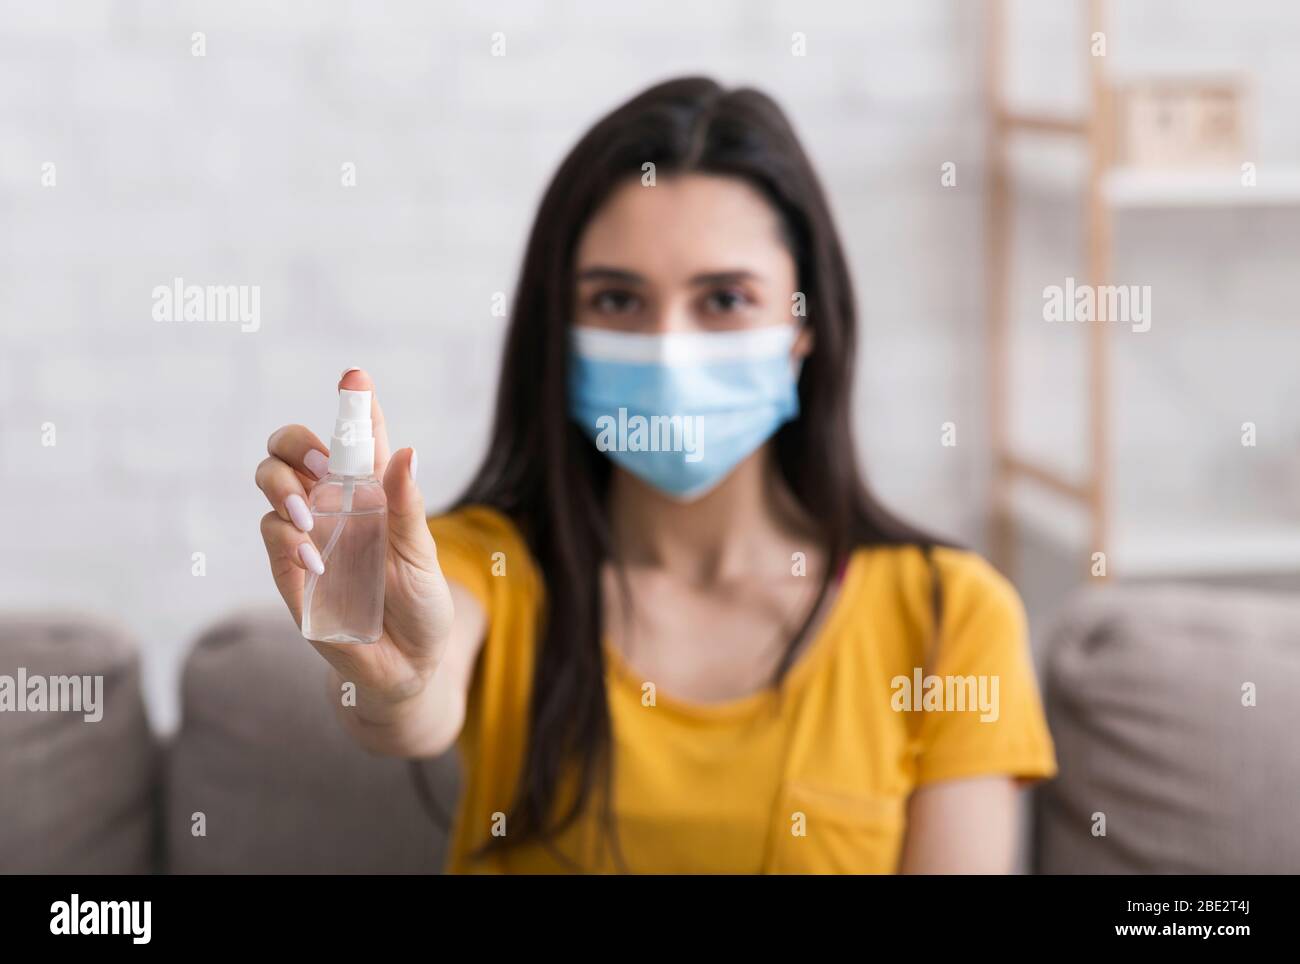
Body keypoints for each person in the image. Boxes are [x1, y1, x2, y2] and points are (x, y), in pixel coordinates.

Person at [255, 77, 1056, 873]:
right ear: (560, 329)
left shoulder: (950, 614)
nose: (670, 350)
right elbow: (412, 703)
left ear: (803, 325)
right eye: (616, 300)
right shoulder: (485, 566)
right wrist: (395, 684)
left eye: (725, 299)